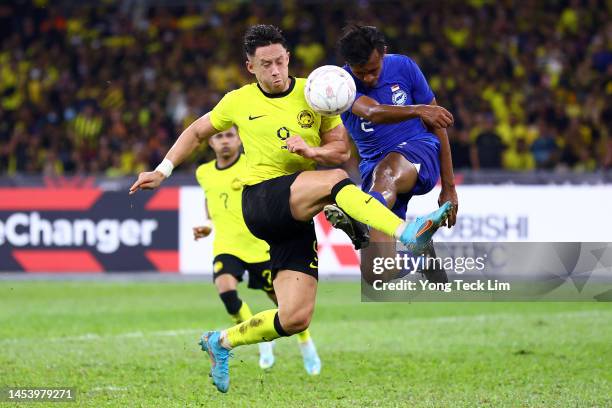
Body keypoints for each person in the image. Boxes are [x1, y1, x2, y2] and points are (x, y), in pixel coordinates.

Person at [129, 24, 451, 393]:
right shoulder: (237, 100)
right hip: (261, 198)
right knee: (333, 182)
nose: (275, 70)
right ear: (250, 67)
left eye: (280, 61)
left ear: (288, 59)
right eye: (265, 64)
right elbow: (197, 132)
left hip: (295, 211)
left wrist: (311, 152)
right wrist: (162, 169)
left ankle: (222, 342)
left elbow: (340, 151)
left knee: (295, 317)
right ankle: (406, 232)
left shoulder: (315, 94)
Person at [324, 24, 459, 284]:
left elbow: (436, 122)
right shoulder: (341, 84)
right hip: (375, 172)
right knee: (378, 274)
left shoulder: (404, 67)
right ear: (349, 64)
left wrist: (449, 188)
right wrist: (418, 109)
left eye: (373, 70)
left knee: (387, 171)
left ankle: (359, 218)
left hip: (418, 150)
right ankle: (422, 253)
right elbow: (373, 112)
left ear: (383, 53)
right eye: (360, 72)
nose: (368, 79)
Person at [193, 126, 321, 374]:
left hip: (259, 246)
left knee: (286, 307)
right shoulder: (203, 173)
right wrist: (208, 225)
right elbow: (211, 200)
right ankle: (261, 345)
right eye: (219, 137)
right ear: (210, 142)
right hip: (227, 246)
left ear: (240, 138)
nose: (225, 141)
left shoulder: (253, 166)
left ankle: (306, 343)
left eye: (229, 135)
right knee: (226, 289)